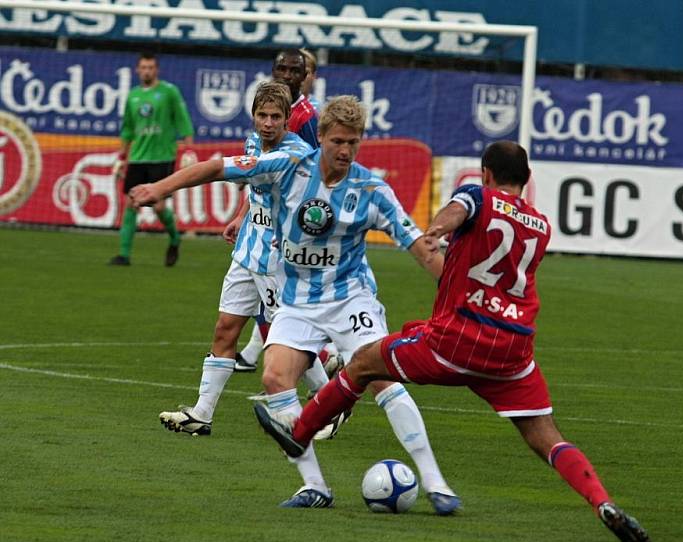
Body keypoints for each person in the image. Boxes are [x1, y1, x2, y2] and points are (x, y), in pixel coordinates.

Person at [255, 141, 651, 542]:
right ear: (527, 180)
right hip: (512, 353)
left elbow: (460, 210)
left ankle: (300, 432)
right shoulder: (540, 226)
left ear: (485, 174)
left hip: (457, 341)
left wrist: (438, 228)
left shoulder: (479, 196)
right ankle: (601, 500)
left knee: (362, 363)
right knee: (545, 435)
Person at [130, 96, 459, 515]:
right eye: (337, 140)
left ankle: (436, 483)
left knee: (381, 376)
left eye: (353, 143)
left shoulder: (372, 190)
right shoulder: (286, 168)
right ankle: (315, 486)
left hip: (349, 297)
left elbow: (420, 247)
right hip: (298, 301)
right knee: (274, 378)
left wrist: (456, 292)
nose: (344, 150)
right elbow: (216, 168)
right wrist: (159, 188)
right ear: (319, 137)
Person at [157, 82, 334, 438]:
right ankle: (202, 413)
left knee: (283, 336)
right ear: (253, 116)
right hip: (247, 253)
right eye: (262, 115)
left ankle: (327, 403)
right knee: (225, 328)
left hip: (279, 261)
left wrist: (161, 187)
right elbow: (254, 186)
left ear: (287, 121)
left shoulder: (296, 153)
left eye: (275, 117)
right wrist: (241, 216)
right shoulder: (253, 142)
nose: (267, 123)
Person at [233, 47, 322, 372]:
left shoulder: (308, 119)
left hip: (289, 230)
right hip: (260, 230)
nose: (286, 75)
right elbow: (261, 181)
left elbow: (315, 176)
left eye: (294, 70)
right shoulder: (256, 134)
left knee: (289, 311)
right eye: (281, 69)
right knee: (266, 304)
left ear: (305, 76)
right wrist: (242, 216)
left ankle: (325, 365)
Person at [109, 52, 194, 267]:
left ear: (157, 70)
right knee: (130, 203)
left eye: (150, 67)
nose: (146, 71)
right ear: (138, 70)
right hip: (138, 158)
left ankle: (175, 238)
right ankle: (123, 255)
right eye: (143, 67)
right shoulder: (133, 96)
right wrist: (121, 157)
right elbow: (127, 129)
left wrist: (188, 150)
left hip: (162, 157)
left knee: (157, 207)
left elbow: (183, 122)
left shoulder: (169, 92)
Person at [299, 47, 322, 113]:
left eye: (306, 72)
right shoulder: (279, 105)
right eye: (296, 71)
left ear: (314, 76)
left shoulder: (320, 110)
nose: (301, 77)